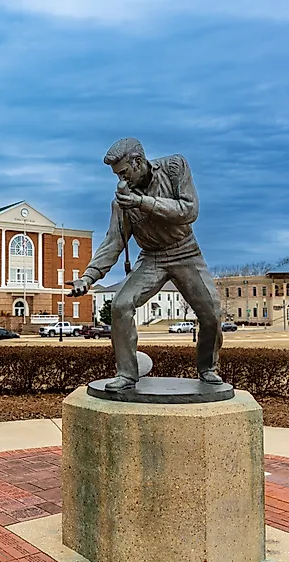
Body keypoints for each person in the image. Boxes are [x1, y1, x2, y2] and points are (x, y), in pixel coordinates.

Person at [68, 137, 223, 392]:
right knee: (120, 305)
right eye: (116, 174)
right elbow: (114, 241)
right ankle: (127, 374)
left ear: (138, 162)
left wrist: (142, 202)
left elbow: (189, 210)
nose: (120, 179)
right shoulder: (121, 202)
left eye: (123, 172)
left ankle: (207, 368)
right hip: (151, 258)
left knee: (212, 313)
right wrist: (88, 277)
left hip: (186, 252)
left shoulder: (174, 167)